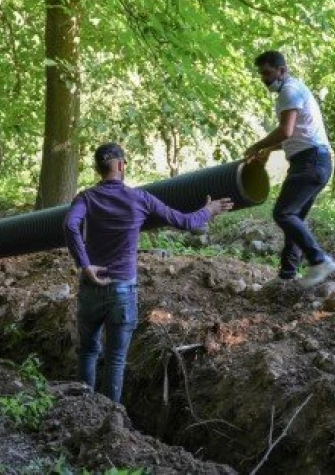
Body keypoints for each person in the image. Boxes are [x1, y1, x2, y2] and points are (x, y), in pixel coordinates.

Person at [64, 143, 233, 403]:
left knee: (88, 351)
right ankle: (109, 418)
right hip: (122, 290)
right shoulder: (139, 199)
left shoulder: (86, 198)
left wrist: (85, 264)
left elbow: (70, 224)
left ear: (99, 169)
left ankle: (83, 407)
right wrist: (209, 210)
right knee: (116, 360)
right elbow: (184, 222)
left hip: (91, 287)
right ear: (120, 165)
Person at [244, 50, 335, 287]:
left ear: (282, 70)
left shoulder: (289, 91)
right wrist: (268, 150)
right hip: (313, 160)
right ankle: (287, 276)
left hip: (311, 161)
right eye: (261, 74)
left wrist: (257, 145)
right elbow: (297, 134)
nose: (265, 78)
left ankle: (319, 260)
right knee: (293, 218)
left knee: (283, 213)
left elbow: (286, 131)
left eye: (267, 73)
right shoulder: (294, 89)